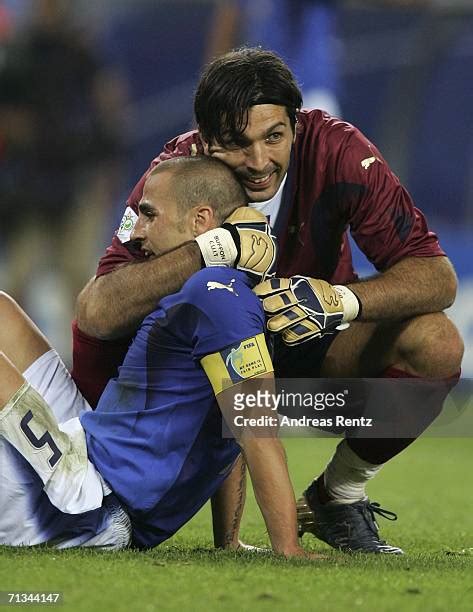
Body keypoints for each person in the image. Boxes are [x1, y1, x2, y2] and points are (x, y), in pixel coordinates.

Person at [73, 48, 464, 554]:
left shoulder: (340, 152)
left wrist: (339, 300)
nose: (259, 163)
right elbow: (98, 311)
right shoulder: (173, 176)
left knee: (437, 343)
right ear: (205, 138)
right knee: (217, 338)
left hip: (308, 361)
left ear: (296, 126)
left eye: (274, 137)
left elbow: (437, 276)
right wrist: (216, 249)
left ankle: (337, 495)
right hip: (195, 376)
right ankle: (120, 493)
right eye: (237, 144)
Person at [0, 156, 314, 558]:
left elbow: (255, 431)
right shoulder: (211, 292)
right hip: (85, 449)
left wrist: (288, 548)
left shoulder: (214, 293)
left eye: (149, 216)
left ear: (201, 221)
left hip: (87, 505)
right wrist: (228, 541)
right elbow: (225, 425)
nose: (136, 233)